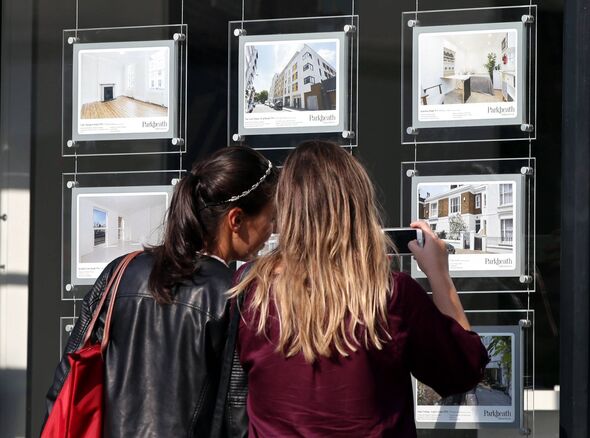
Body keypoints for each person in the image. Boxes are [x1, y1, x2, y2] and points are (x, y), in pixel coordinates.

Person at [232, 141, 489, 437]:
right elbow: (465, 370)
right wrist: (439, 276)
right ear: (357, 206)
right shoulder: (390, 295)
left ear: (287, 209)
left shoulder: (251, 290)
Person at [44, 146, 278, 437]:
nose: (272, 229)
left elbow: (65, 381)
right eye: (271, 218)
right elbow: (235, 414)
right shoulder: (233, 293)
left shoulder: (119, 271)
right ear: (236, 220)